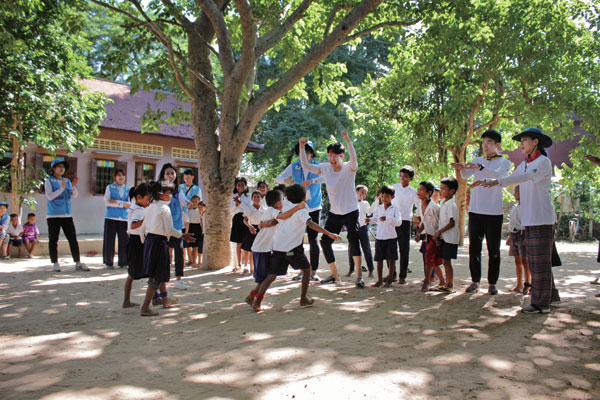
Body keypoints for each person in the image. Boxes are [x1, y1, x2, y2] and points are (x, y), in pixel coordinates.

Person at [477, 127, 558, 313]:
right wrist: (494, 182)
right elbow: (514, 177)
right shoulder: (525, 163)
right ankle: (551, 296)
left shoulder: (543, 162)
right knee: (538, 260)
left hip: (541, 218)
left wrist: (497, 182)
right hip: (529, 218)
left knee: (539, 262)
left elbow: (527, 177)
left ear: (536, 141)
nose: (521, 144)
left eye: (524, 140)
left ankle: (541, 304)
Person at [251, 184, 341, 311]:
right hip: (292, 248)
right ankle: (303, 298)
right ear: (304, 197)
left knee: (271, 276)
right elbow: (311, 224)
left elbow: (277, 219)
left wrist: (262, 224)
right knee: (307, 269)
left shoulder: (285, 207)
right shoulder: (301, 211)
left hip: (278, 248)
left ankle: (257, 301)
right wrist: (329, 233)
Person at [299, 131, 364, 287]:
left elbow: (354, 159)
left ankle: (359, 277)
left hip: (351, 211)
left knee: (354, 240)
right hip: (335, 213)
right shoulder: (325, 168)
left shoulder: (350, 168)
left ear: (342, 156)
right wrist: (302, 147)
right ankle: (335, 275)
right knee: (325, 241)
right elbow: (306, 165)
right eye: (330, 155)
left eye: (336, 156)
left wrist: (348, 141)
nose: (332, 159)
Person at [451, 129, 511, 295]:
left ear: (497, 145)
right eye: (483, 142)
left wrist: (481, 167)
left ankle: (492, 283)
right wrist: (461, 168)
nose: (485, 146)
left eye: (489, 142)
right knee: (474, 248)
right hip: (476, 211)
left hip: (494, 212)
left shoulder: (504, 162)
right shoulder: (477, 160)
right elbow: (465, 176)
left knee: (494, 250)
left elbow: (497, 175)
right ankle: (475, 281)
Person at [139, 181, 195, 316]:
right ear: (161, 194)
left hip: (150, 241)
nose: (170, 195)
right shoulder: (164, 209)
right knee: (156, 276)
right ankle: (145, 307)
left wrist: (145, 244)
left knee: (159, 273)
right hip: (160, 242)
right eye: (169, 192)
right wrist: (182, 235)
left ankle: (164, 300)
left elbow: (142, 230)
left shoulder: (149, 207)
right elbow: (169, 230)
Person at [245, 189, 307, 307]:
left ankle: (252, 296)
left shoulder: (271, 211)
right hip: (262, 248)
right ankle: (255, 299)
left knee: (269, 276)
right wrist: (298, 207)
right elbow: (283, 216)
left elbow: (278, 219)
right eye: (282, 200)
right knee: (267, 277)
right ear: (278, 203)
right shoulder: (273, 210)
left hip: (264, 248)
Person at [276, 140, 326, 282]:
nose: (304, 155)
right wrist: (288, 181)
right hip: (298, 208)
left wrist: (313, 181)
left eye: (307, 152)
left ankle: (314, 271)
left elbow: (327, 178)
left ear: (311, 153)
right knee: (298, 240)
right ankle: (303, 270)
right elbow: (279, 178)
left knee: (313, 240)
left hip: (314, 206)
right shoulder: (294, 166)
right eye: (300, 152)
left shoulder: (318, 166)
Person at [45, 157, 88, 272]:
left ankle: (78, 262)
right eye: (59, 167)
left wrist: (73, 186)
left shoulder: (67, 181)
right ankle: (55, 262)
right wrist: (61, 188)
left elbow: (73, 195)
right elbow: (50, 196)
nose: (62, 169)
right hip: (53, 215)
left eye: (63, 167)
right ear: (53, 168)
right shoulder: (49, 181)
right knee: (53, 239)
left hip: (67, 215)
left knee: (72, 238)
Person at [158, 163, 188, 290]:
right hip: (162, 228)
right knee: (163, 254)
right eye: (167, 173)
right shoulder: (159, 189)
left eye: (172, 173)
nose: (170, 176)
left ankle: (179, 279)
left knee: (179, 252)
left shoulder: (179, 190)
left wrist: (190, 205)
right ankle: (162, 279)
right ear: (163, 175)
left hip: (176, 227)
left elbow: (184, 202)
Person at [123, 183, 152, 308]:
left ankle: (126, 300)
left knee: (132, 273)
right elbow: (133, 225)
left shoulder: (135, 208)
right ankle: (153, 299)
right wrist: (145, 221)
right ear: (139, 197)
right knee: (143, 272)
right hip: (137, 243)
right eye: (148, 199)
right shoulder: (139, 210)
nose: (149, 202)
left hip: (135, 242)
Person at [368, 186, 402, 287]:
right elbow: (375, 219)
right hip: (380, 237)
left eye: (386, 196)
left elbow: (399, 222)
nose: (384, 198)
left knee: (391, 259)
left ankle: (390, 280)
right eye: (382, 196)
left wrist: (388, 218)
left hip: (391, 237)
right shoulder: (379, 208)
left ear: (392, 197)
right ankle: (379, 280)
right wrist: (369, 220)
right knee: (379, 260)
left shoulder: (395, 209)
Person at [415, 181, 445, 292]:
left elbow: (440, 223)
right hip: (427, 236)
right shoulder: (420, 205)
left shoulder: (435, 207)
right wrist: (419, 232)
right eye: (418, 189)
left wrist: (438, 237)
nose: (418, 191)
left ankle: (427, 281)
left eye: (421, 190)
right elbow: (423, 222)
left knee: (429, 259)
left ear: (429, 193)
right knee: (433, 261)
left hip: (435, 236)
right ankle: (442, 281)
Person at [391, 166, 420, 284]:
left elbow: (418, 206)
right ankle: (391, 274)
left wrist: (417, 219)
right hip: (392, 221)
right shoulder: (393, 187)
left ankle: (402, 275)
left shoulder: (413, 192)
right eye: (401, 176)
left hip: (405, 221)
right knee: (391, 247)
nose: (402, 178)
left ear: (410, 178)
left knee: (404, 249)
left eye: (405, 177)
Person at [432, 177, 460, 293]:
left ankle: (450, 284)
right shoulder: (444, 203)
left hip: (450, 237)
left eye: (444, 189)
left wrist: (439, 232)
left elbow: (452, 223)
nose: (441, 191)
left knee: (447, 261)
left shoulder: (451, 205)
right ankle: (446, 284)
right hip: (444, 237)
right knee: (444, 260)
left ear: (452, 191)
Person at [103, 168, 131, 269]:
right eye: (118, 175)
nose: (121, 177)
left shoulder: (128, 189)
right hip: (111, 217)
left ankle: (123, 262)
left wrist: (116, 202)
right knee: (109, 239)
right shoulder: (109, 187)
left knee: (124, 240)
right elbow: (107, 201)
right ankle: (108, 262)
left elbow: (129, 204)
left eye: (122, 175)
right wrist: (122, 204)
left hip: (123, 218)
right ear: (115, 177)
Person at [347, 185, 377, 277]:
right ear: (356, 191)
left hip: (363, 228)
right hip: (352, 229)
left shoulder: (365, 203)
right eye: (362, 192)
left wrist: (376, 201)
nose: (363, 195)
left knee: (366, 249)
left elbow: (369, 212)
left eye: (365, 193)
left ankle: (371, 269)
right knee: (352, 249)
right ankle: (351, 269)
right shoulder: (350, 202)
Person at [506, 185, 531, 294]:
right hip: (514, 234)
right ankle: (519, 284)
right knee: (517, 261)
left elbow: (528, 223)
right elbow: (512, 222)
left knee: (525, 260)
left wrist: (527, 237)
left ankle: (527, 283)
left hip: (522, 234)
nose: (516, 193)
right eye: (515, 191)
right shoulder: (515, 206)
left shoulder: (527, 207)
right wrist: (510, 236)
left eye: (518, 191)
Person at [230, 177, 251, 272]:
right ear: (236, 186)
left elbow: (248, 208)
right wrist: (236, 204)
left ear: (246, 186)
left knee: (246, 243)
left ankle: (246, 264)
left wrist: (240, 203)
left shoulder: (249, 196)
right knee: (238, 243)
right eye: (239, 185)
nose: (241, 187)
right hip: (237, 219)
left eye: (243, 185)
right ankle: (238, 264)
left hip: (246, 219)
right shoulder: (233, 196)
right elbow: (231, 210)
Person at [242, 191, 265, 274]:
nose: (256, 198)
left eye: (258, 197)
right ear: (251, 198)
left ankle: (258, 268)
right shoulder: (249, 208)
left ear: (261, 198)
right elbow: (245, 220)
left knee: (260, 249)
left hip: (261, 229)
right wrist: (250, 226)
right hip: (251, 229)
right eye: (254, 197)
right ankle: (252, 269)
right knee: (251, 250)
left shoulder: (263, 209)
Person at [184, 196, 203, 267]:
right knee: (189, 245)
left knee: (196, 246)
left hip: (198, 228)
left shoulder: (200, 211)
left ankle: (194, 261)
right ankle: (190, 260)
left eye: (196, 202)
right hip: (191, 227)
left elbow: (201, 221)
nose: (195, 203)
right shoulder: (189, 211)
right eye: (193, 202)